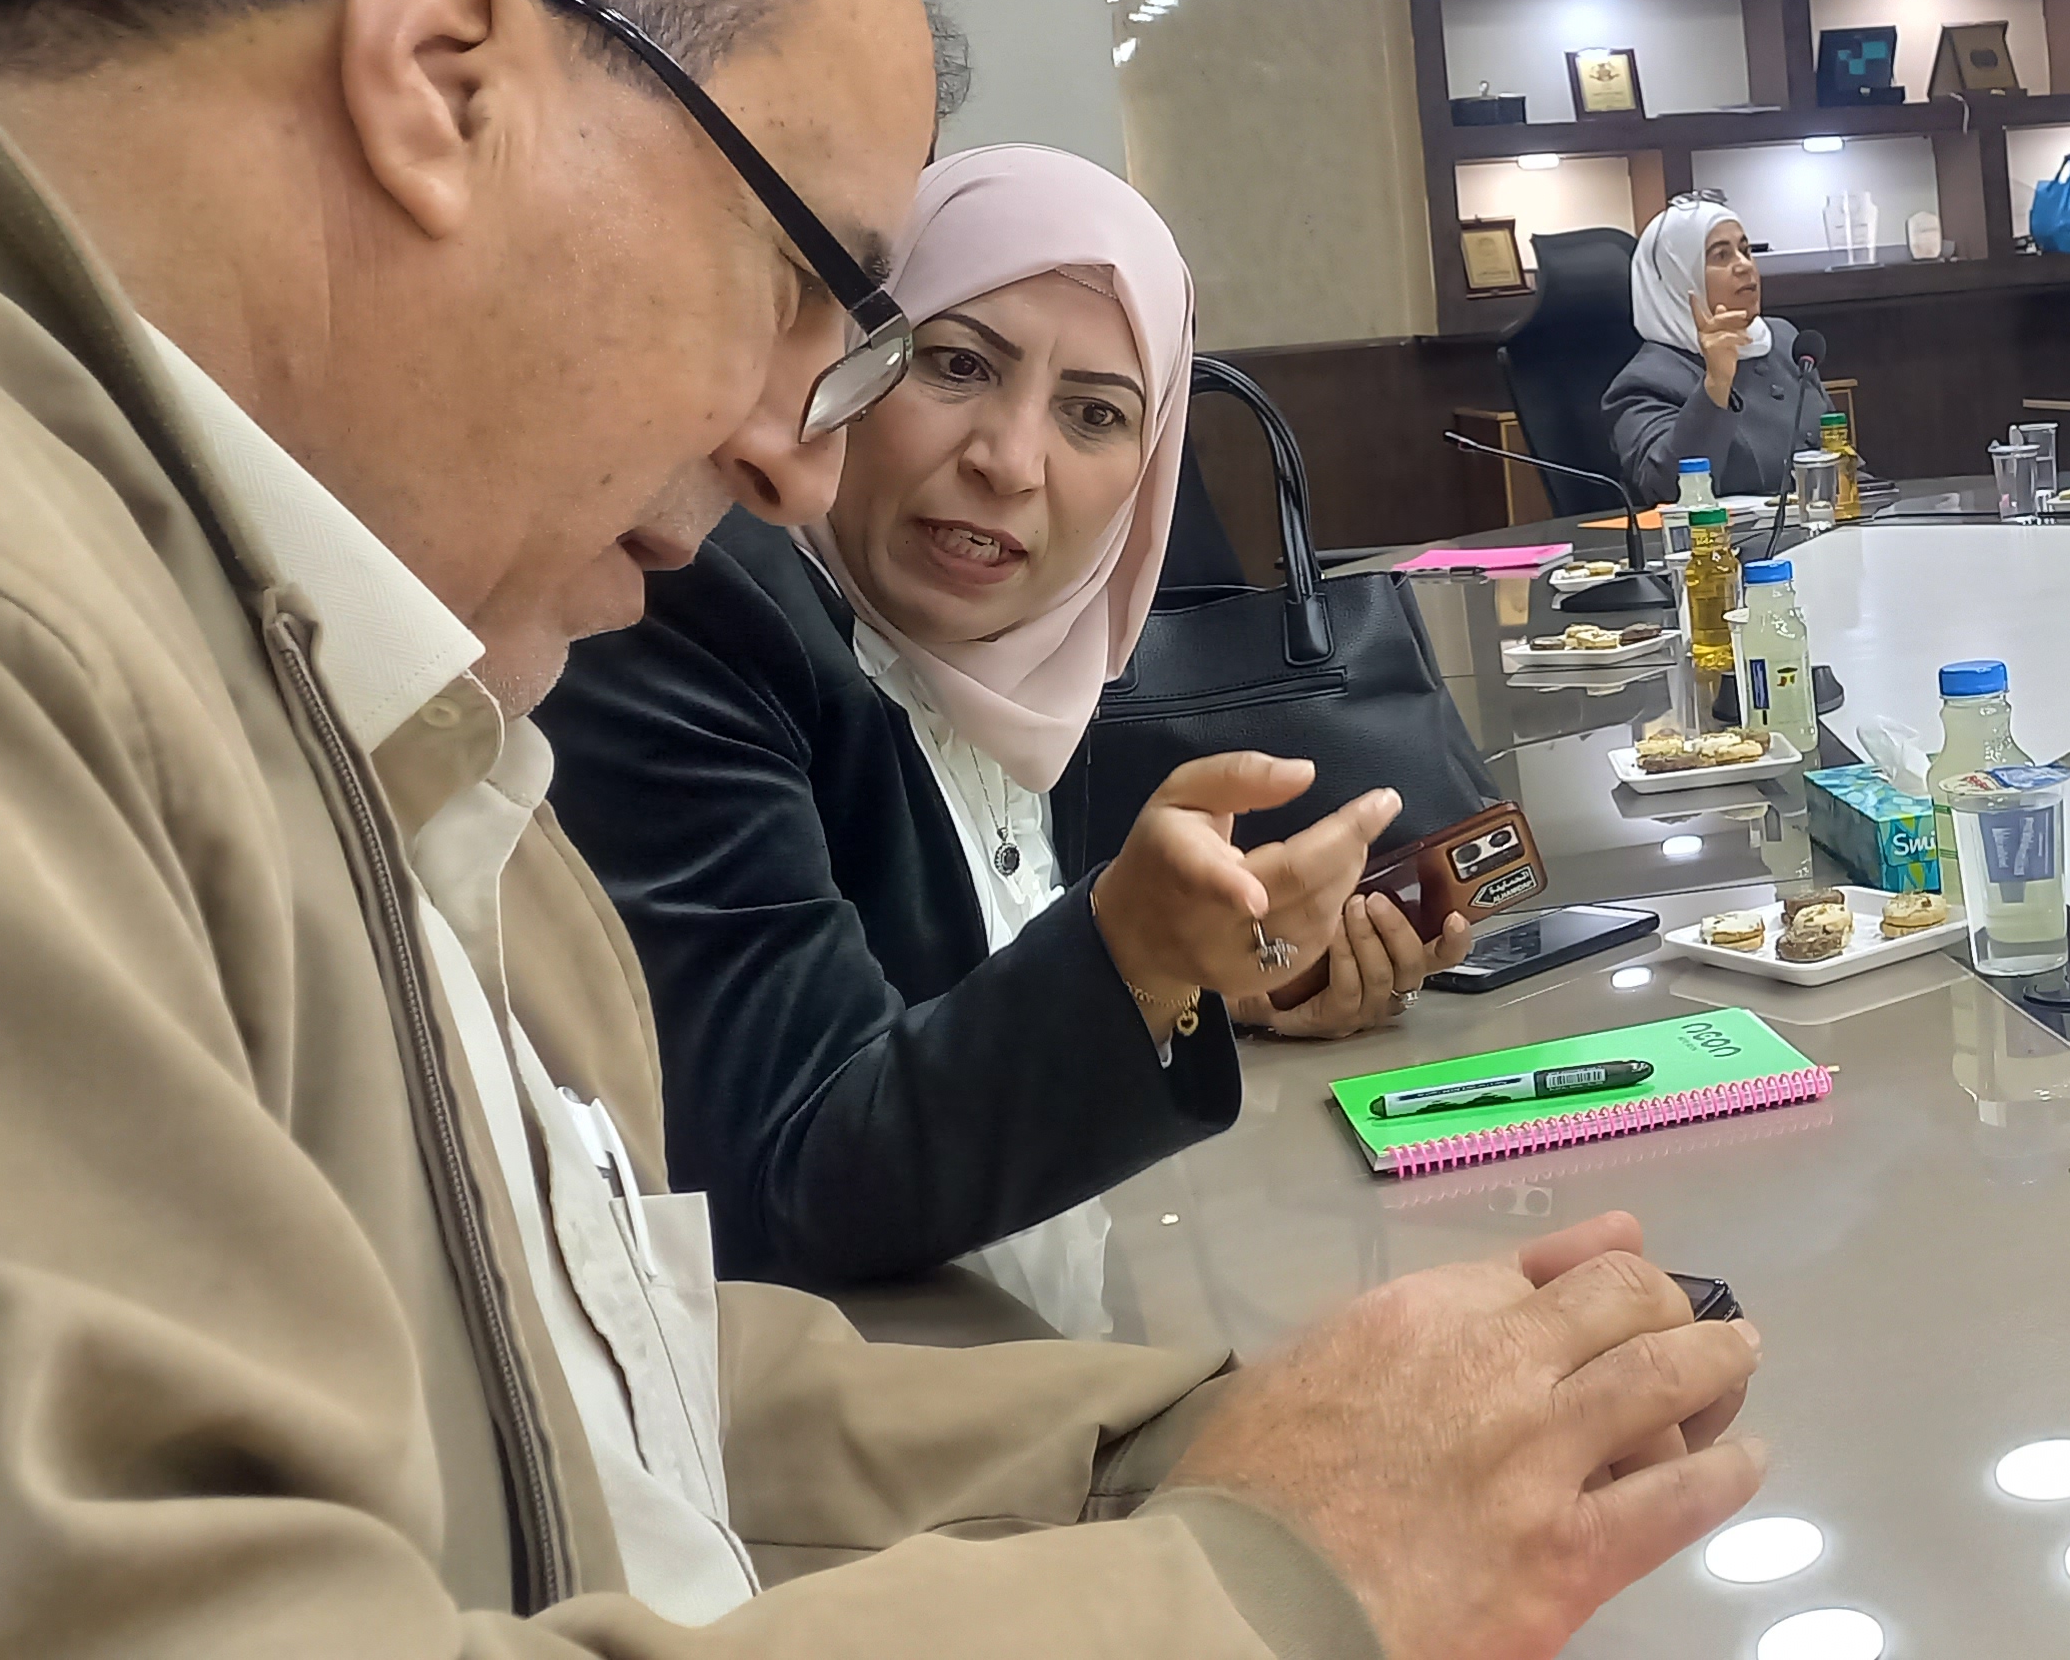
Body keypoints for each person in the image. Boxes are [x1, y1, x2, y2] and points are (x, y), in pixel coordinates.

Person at [0, 0, 1753, 1655]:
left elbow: (588, 1370)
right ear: (439, 78)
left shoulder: (287, 642)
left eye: (1090, 413)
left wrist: (1198, 1459)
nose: (806, 457)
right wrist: (1248, 1578)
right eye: (808, 283)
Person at [543, 145, 1474, 1338]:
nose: (1009, 460)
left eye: (1095, 414)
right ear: (848, 363)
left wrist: (1208, 989)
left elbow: (953, 1003)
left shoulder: (1012, 673)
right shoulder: (703, 615)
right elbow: (792, 1168)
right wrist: (1133, 962)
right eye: (956, 364)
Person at [1605, 197, 1837, 506]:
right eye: (1721, 255)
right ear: (1679, 278)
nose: (1744, 265)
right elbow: (1668, 490)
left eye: (1745, 250)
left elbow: (1836, 452)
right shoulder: (1645, 381)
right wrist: (1716, 384)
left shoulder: (1785, 340)